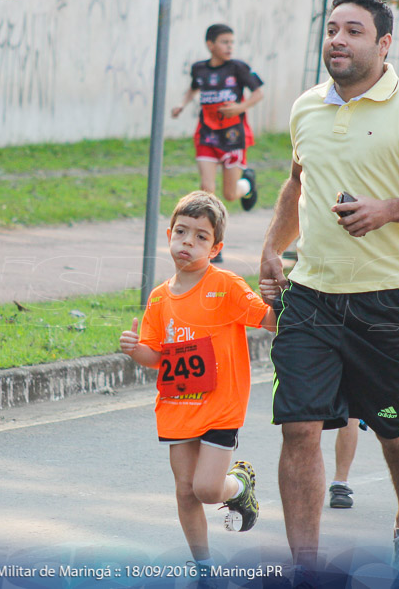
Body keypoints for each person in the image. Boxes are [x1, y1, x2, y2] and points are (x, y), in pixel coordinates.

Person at [258, 0, 399, 576]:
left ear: (383, 44)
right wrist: (272, 249)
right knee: (299, 426)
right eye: (331, 29)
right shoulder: (306, 107)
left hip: (387, 302)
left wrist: (387, 210)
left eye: (353, 31)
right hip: (310, 297)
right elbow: (297, 182)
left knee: (392, 429)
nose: (337, 39)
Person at [119, 191, 276, 579]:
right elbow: (157, 357)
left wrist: (283, 297)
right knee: (185, 489)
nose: (188, 242)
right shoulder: (158, 299)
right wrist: (135, 350)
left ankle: (238, 484)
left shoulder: (225, 285)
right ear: (169, 234)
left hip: (221, 403)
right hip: (178, 404)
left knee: (207, 490)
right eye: (182, 232)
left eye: (201, 237)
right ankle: (204, 565)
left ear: (216, 247)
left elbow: (269, 320)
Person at [171, 24, 265, 256]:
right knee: (207, 190)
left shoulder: (238, 68)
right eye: (224, 42)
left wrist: (240, 107)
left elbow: (258, 93)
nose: (229, 46)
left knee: (230, 193)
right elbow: (193, 89)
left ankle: (248, 184)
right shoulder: (199, 69)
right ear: (210, 45)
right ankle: (212, 242)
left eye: (231, 42)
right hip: (206, 135)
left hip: (232, 136)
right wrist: (182, 104)